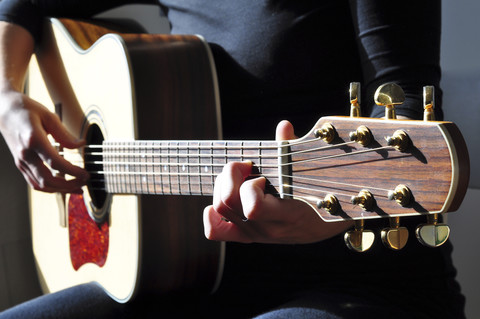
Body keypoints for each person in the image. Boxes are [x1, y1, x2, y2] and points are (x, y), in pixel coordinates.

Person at [0, 0, 466, 318]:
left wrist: (331, 220)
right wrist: (5, 97)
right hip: (185, 279)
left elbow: (408, 132)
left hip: (357, 285)